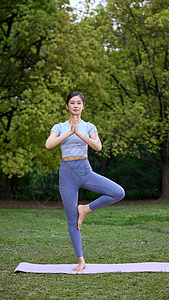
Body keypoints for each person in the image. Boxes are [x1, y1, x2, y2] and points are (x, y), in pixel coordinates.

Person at [45, 91, 125, 271]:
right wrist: (70, 133)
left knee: (118, 192)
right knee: (72, 219)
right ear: (67, 106)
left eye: (78, 103)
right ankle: (81, 261)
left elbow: (98, 146)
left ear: (83, 106)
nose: (75, 105)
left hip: (85, 171)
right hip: (67, 174)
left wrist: (79, 133)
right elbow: (49, 144)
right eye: (72, 102)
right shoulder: (59, 126)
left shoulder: (89, 126)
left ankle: (85, 208)